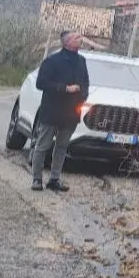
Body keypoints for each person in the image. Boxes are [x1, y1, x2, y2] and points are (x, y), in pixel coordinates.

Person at [31, 31, 90, 192]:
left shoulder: (81, 61)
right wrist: (64, 88)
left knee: (62, 146)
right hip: (52, 109)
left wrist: (83, 95)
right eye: (76, 37)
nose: (80, 39)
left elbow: (85, 82)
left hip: (71, 112)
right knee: (43, 145)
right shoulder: (52, 61)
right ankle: (37, 179)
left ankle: (54, 179)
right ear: (67, 42)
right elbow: (41, 83)